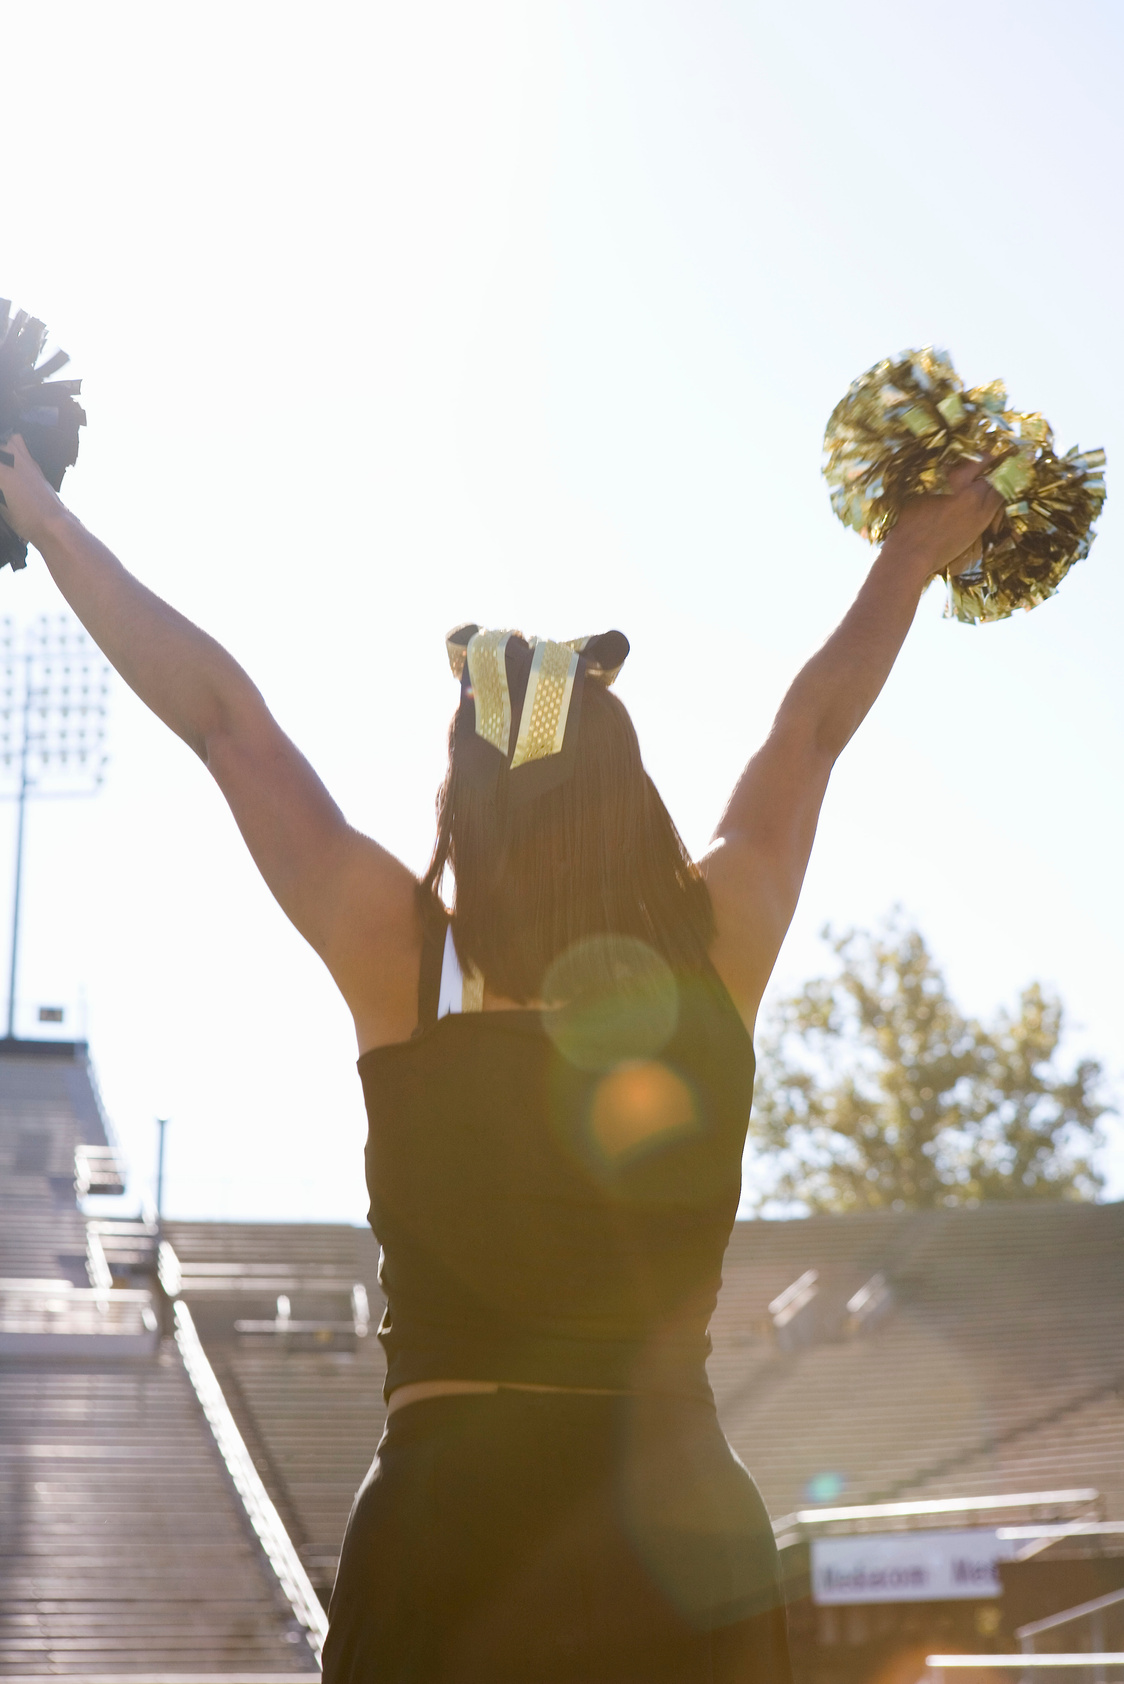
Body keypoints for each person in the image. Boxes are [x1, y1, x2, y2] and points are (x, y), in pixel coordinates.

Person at [0, 433, 1000, 1682]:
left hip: (448, 1531)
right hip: (677, 1538)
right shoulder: (714, 942)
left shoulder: (400, 958)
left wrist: (41, 516)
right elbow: (807, 734)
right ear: (622, 788)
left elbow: (223, 722)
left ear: (464, 800)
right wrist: (910, 554)